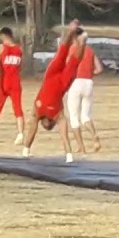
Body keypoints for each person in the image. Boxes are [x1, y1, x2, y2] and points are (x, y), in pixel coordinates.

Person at [23, 21, 83, 162]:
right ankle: (80, 40)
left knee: (62, 53)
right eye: (46, 126)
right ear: (50, 123)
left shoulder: (37, 111)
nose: (43, 126)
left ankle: (72, 32)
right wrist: (68, 155)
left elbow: (32, 129)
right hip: (62, 83)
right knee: (73, 62)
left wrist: (26, 149)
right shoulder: (57, 115)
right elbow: (63, 134)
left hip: (51, 76)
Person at [64, 28, 104, 154]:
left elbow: (66, 66)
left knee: (74, 117)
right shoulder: (90, 51)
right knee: (85, 116)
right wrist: (89, 73)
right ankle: (94, 136)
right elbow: (99, 69)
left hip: (75, 82)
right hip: (88, 82)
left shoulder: (72, 49)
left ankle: (81, 147)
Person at [0, 27, 25, 144]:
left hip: (3, 82)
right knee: (18, 109)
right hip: (15, 81)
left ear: (3, 36)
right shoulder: (19, 49)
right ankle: (20, 134)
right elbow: (21, 66)